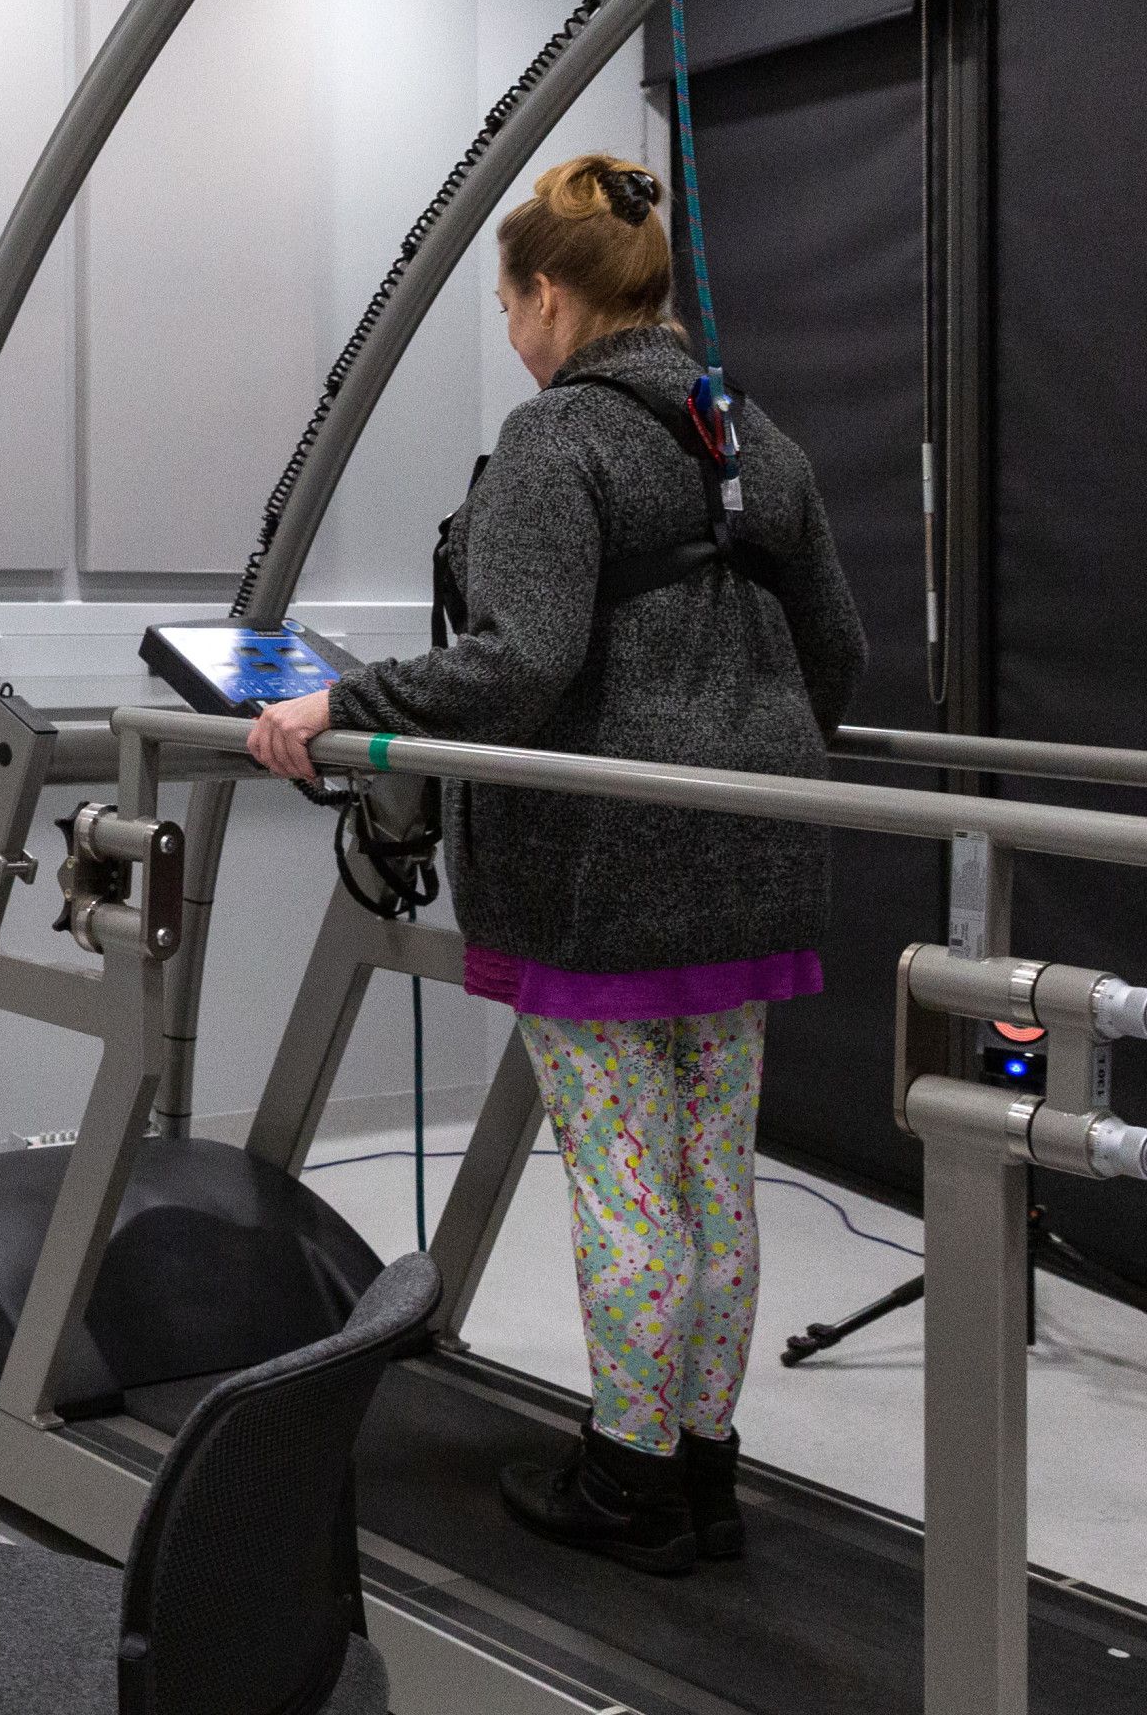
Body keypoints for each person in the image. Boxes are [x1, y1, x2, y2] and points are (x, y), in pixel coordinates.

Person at [248, 153, 865, 1577]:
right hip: (757, 858)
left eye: (509, 307)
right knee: (717, 1177)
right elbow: (837, 655)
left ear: (546, 296)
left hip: (600, 872)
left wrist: (336, 709)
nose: (512, 336)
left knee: (626, 1186)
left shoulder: (559, 442)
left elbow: (517, 666)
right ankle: (704, 1467)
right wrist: (737, 763)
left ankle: (631, 1481)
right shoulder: (751, 441)